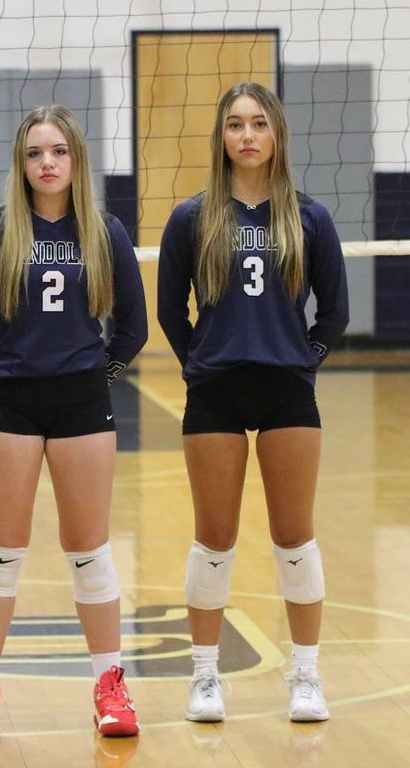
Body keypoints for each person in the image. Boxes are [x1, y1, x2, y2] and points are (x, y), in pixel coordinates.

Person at [0, 104, 148, 739]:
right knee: (0, 554)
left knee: (90, 553)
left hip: (83, 407)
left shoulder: (105, 232)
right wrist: (3, 375)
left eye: (58, 151)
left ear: (76, 160)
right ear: (21, 163)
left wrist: (92, 377)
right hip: (6, 407)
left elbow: (135, 329)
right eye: (35, 153)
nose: (47, 163)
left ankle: (111, 687)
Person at [157, 82, 349, 723]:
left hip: (287, 390)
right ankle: (205, 678)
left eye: (258, 124)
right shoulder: (192, 217)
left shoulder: (309, 217)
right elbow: (168, 310)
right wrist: (199, 365)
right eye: (235, 124)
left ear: (276, 135)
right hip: (214, 391)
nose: (246, 135)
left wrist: (300, 360)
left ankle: (307, 675)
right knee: (214, 540)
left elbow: (336, 313)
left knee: (295, 539)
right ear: (222, 137)